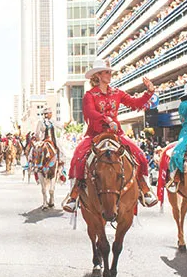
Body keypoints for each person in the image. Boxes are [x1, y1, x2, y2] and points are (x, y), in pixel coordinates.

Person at [63, 59, 158, 212]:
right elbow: (90, 113)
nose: (110, 75)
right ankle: (73, 194)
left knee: (139, 155)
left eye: (109, 72)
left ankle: (144, 188)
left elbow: (135, 103)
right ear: (98, 75)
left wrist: (149, 92)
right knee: (78, 157)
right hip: (95, 134)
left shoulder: (117, 93)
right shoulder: (89, 95)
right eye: (107, 72)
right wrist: (106, 119)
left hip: (116, 134)